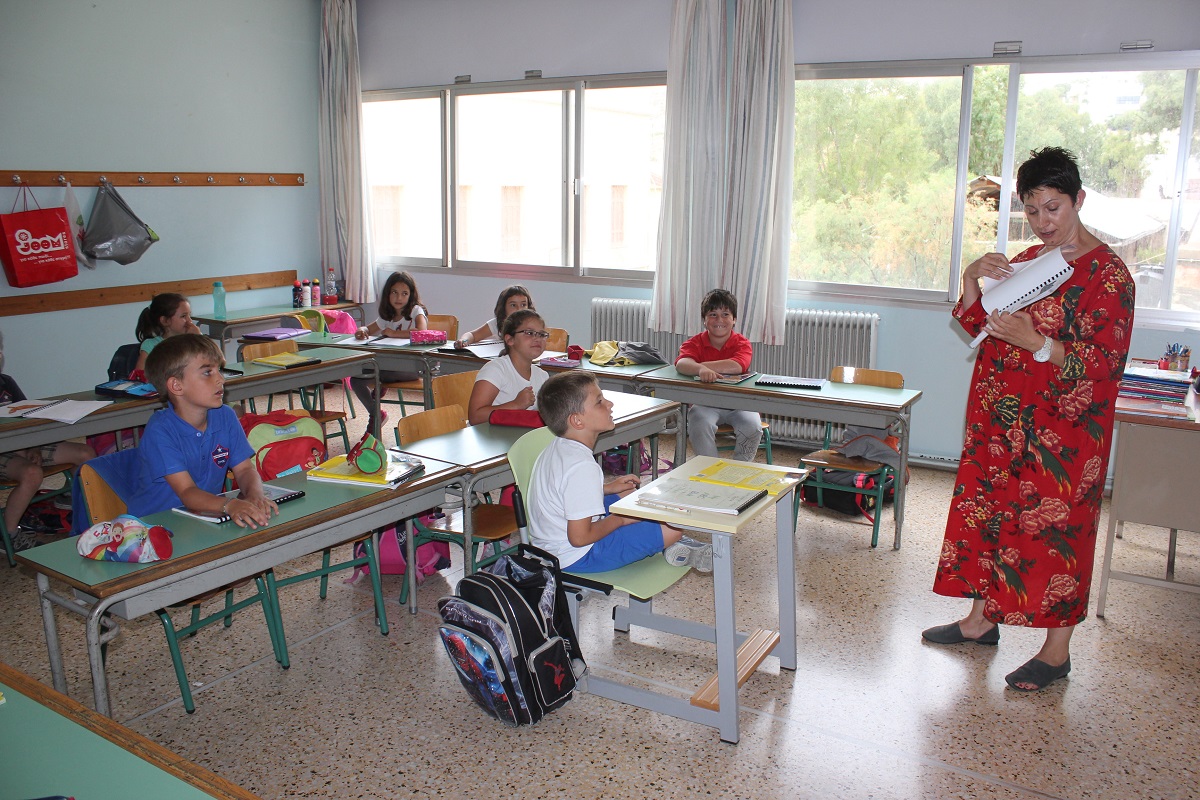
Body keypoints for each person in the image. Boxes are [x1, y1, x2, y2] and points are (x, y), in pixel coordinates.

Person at [922, 146, 1135, 691]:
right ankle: (979, 621)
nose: (1043, 222)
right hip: (1001, 417)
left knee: (1058, 532)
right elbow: (980, 326)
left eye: (1053, 208)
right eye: (1033, 210)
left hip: (1063, 432)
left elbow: (1105, 363)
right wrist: (972, 279)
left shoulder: (1109, 275)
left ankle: (1056, 652)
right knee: (992, 513)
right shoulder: (1031, 261)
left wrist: (1038, 342)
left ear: (1078, 199)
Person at [529, 371, 712, 573]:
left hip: (551, 542)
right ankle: (672, 543)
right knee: (672, 529)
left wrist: (606, 488)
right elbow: (579, 538)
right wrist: (620, 520)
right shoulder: (582, 466)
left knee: (629, 494)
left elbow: (566, 491)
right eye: (599, 402)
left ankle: (662, 543)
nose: (610, 404)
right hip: (577, 555)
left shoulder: (559, 446)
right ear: (577, 421)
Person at [125, 334, 277, 528]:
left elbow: (245, 469)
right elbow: (187, 492)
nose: (220, 379)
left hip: (201, 517)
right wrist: (229, 504)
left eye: (219, 370)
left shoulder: (225, 416)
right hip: (154, 526)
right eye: (207, 372)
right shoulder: (160, 430)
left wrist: (255, 495)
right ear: (176, 385)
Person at [0, 329, 95, 549]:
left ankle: (73, 502)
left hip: (24, 444)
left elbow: (27, 417)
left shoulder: (6, 382)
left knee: (85, 454)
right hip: (4, 451)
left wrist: (32, 446)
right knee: (32, 473)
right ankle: (9, 535)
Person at [673, 288, 762, 461]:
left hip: (740, 403)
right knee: (698, 422)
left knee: (752, 426)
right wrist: (700, 370)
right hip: (705, 403)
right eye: (713, 314)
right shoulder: (694, 342)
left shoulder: (742, 342)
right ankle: (709, 468)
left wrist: (699, 366)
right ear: (704, 320)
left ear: (734, 319)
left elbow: (737, 366)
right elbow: (682, 364)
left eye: (725, 314)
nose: (719, 320)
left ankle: (739, 469)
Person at [350, 271, 428, 432]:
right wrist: (361, 330)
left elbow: (422, 331)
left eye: (404, 293)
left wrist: (394, 333)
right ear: (388, 294)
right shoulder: (388, 316)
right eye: (394, 292)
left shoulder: (416, 311)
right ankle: (376, 413)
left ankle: (379, 389)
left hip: (412, 367)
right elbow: (369, 328)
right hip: (388, 367)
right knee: (356, 380)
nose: (399, 298)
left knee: (380, 371)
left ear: (411, 295)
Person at [467, 309, 550, 425]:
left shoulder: (542, 376)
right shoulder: (496, 369)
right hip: (488, 435)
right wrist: (516, 405)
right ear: (510, 339)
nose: (538, 338)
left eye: (542, 334)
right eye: (529, 333)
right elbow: (475, 417)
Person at [133, 293, 202, 375]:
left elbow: (214, 360)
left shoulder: (192, 342)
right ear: (165, 321)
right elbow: (139, 376)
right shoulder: (151, 345)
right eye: (183, 316)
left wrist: (199, 339)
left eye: (189, 315)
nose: (189, 321)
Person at [454, 285, 534, 348]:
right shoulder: (497, 323)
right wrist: (463, 341)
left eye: (523, 305)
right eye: (513, 305)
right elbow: (473, 335)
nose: (519, 309)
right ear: (503, 307)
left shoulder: (533, 325)